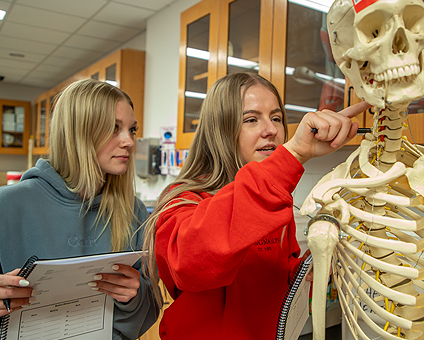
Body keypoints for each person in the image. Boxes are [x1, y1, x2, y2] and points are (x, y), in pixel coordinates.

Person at [142, 72, 371, 339]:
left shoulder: (270, 198)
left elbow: (275, 276)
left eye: (276, 118)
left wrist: (309, 269)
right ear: (220, 130)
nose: (271, 130)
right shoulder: (184, 200)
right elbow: (191, 265)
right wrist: (294, 154)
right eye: (251, 119)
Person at [0, 79, 160, 339]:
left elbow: (148, 313)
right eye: (113, 129)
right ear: (77, 132)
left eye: (131, 130)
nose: (128, 142)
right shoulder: (4, 207)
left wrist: (133, 298)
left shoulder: (133, 211)